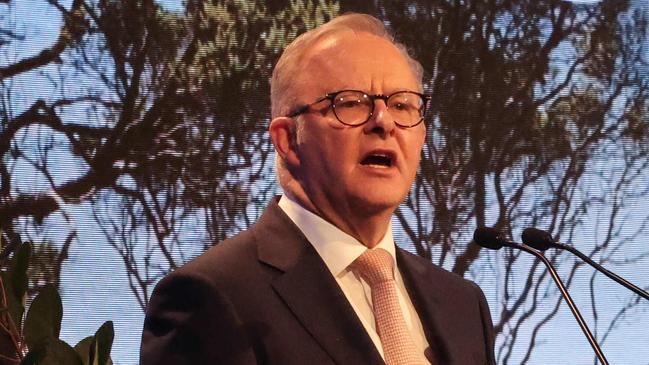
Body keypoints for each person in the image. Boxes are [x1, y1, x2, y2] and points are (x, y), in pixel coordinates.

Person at [140, 13, 496, 365]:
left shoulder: (462, 305)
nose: (384, 122)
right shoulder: (209, 296)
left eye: (402, 105)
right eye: (351, 103)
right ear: (288, 140)